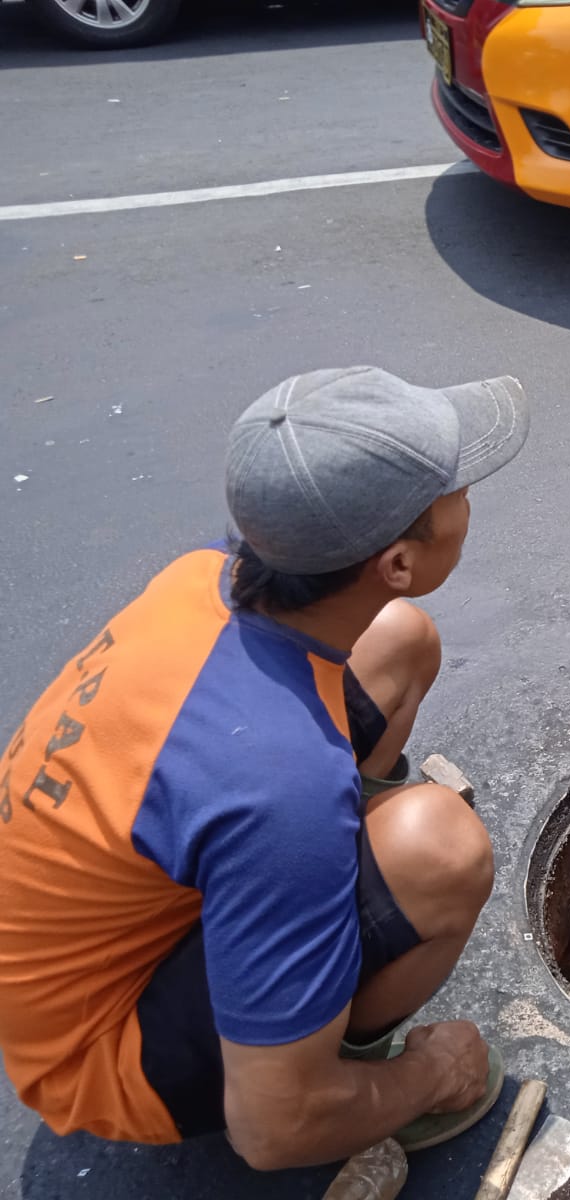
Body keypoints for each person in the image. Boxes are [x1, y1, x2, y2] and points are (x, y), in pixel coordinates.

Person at [0, 367, 532, 1170]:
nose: (469, 500)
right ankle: (337, 1065)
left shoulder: (203, 579)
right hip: (102, 1056)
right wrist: (430, 1074)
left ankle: (315, 951)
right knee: (439, 851)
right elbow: (272, 1133)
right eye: (457, 489)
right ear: (394, 559)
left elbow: (250, 773)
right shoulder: (282, 784)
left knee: (401, 641)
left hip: (113, 936)